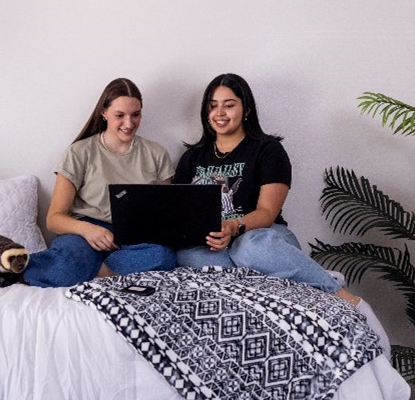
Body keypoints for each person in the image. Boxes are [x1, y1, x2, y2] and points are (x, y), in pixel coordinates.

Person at [173, 73, 360, 305]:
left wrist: (232, 227)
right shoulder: (192, 158)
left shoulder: (268, 150)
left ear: (247, 110)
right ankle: (267, 284)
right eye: (213, 106)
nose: (219, 113)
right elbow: (180, 213)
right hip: (213, 245)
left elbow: (267, 213)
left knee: (248, 249)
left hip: (262, 236)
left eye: (229, 105)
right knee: (186, 255)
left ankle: (338, 293)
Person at [22, 77, 177, 287]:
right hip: (85, 233)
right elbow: (54, 219)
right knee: (64, 265)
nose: (129, 124)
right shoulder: (79, 152)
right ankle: (9, 264)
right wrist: (88, 230)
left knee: (164, 256)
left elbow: (163, 216)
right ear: (104, 112)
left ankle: (96, 270)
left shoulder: (156, 154)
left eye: (136, 115)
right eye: (119, 115)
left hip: (133, 238)